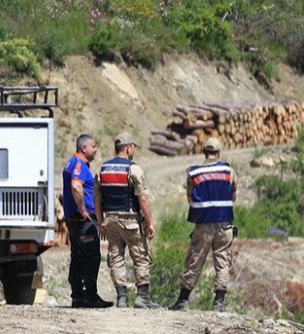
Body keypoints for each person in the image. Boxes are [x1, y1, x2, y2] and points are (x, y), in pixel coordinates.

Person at [169, 137, 237, 312]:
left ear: (204, 152)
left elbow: (190, 199)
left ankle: (183, 300)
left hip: (203, 224)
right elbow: (233, 196)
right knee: (222, 261)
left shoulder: (193, 173)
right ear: (219, 152)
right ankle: (219, 303)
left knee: (195, 259)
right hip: (224, 222)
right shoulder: (229, 171)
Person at [95, 132, 160, 309]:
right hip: (130, 220)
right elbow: (143, 199)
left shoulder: (102, 169)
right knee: (141, 257)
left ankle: (122, 298)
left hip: (111, 221)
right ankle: (142, 297)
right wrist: (149, 223)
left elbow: (97, 199)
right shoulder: (134, 169)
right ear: (129, 148)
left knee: (115, 258)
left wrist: (101, 223)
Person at [62, 133, 113, 309]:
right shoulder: (78, 165)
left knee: (77, 256)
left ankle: (78, 297)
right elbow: (76, 186)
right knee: (92, 257)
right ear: (84, 148)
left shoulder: (72, 163)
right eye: (93, 146)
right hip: (82, 220)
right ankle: (90, 296)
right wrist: (83, 210)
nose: (96, 149)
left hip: (73, 219)